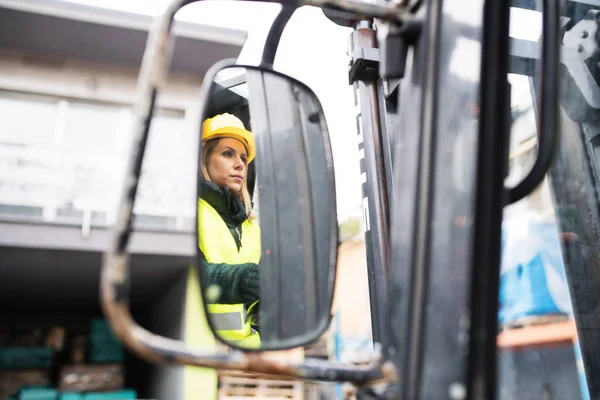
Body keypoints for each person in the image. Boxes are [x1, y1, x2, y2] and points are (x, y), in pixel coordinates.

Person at [196, 112, 262, 348]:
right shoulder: (191, 213)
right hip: (200, 350)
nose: (239, 164)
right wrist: (241, 280)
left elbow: (257, 308)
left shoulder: (252, 228)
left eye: (244, 158)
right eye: (227, 154)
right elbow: (193, 275)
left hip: (248, 355)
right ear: (204, 158)